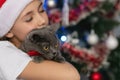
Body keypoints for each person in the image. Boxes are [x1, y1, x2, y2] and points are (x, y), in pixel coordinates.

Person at [0, 0, 80, 80]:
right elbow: (71, 75)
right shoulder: (3, 52)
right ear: (8, 31)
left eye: (41, 10)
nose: (42, 21)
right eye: (29, 19)